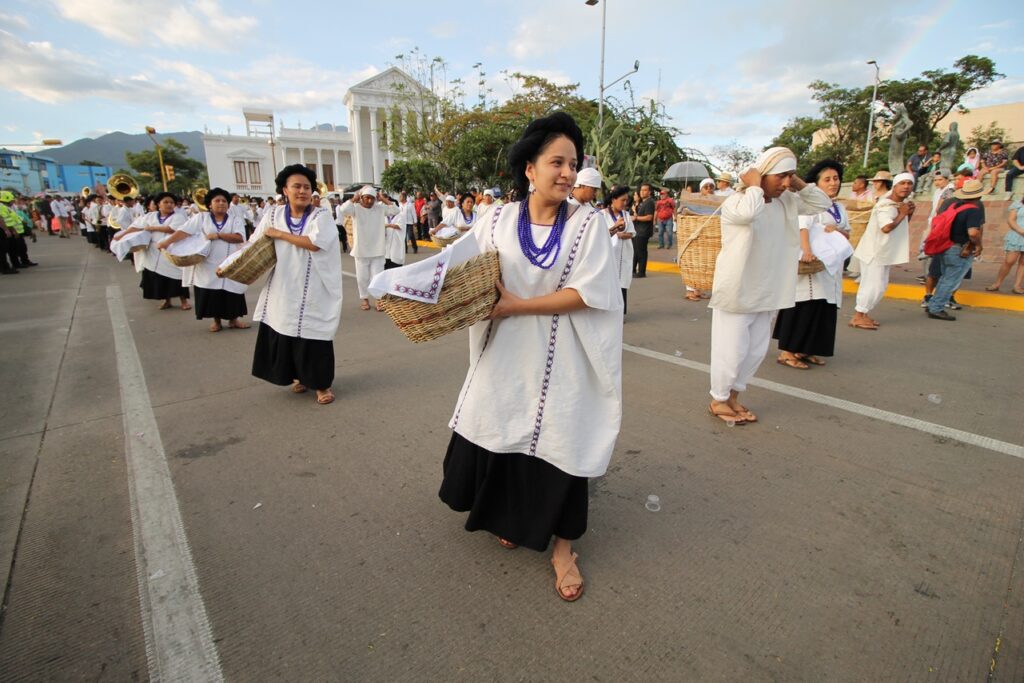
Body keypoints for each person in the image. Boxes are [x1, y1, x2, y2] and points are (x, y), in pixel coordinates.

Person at [439, 111, 622, 603]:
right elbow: (461, 267)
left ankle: (563, 549)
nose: (567, 172)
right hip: (505, 353)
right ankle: (511, 518)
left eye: (573, 164)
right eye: (556, 162)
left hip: (565, 357)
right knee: (502, 432)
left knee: (561, 444)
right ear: (530, 168)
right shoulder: (497, 219)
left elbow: (590, 292)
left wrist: (518, 306)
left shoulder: (588, 223)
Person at [708, 147, 831, 425]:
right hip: (738, 288)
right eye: (780, 176)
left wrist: (798, 183)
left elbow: (822, 203)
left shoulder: (787, 201)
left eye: (790, 176)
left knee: (755, 350)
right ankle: (719, 398)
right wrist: (754, 185)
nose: (786, 183)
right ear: (762, 174)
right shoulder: (737, 201)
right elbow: (748, 215)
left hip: (769, 288)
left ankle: (734, 397)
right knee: (731, 350)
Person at [250, 165, 342, 405]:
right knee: (286, 331)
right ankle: (298, 377)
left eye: (307, 187)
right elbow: (255, 242)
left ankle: (321, 385)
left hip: (315, 285)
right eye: (297, 186)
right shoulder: (273, 215)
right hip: (283, 284)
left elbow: (315, 243)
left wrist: (279, 234)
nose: (302, 191)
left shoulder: (320, 216)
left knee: (314, 334)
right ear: (285, 190)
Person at [773, 160, 852, 369]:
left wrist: (838, 232)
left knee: (823, 307)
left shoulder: (839, 207)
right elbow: (803, 227)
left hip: (830, 266)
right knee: (804, 305)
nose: (833, 183)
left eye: (836, 178)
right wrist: (807, 250)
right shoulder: (810, 204)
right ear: (816, 184)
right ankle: (787, 352)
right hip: (812, 263)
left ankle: (806, 349)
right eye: (827, 179)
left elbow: (847, 232)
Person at [157, 187, 250, 332]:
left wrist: (218, 235)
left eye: (224, 201)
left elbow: (239, 237)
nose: (221, 203)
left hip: (229, 262)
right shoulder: (201, 218)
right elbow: (183, 232)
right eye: (217, 200)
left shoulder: (235, 220)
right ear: (209, 204)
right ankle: (216, 321)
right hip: (207, 263)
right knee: (211, 292)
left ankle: (234, 320)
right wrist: (166, 242)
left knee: (232, 291)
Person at [850, 173, 915, 329]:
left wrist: (908, 213)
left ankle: (864, 314)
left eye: (909, 183)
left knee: (879, 285)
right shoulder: (886, 205)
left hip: (884, 252)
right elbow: (886, 228)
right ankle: (858, 316)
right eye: (902, 183)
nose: (906, 186)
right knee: (873, 285)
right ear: (895, 186)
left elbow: (899, 225)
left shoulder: (898, 204)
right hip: (875, 252)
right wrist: (903, 214)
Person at [117, 192, 191, 310]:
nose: (169, 204)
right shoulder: (150, 216)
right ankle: (166, 300)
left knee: (177, 277)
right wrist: (122, 235)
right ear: (158, 204)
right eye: (166, 202)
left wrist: (152, 228)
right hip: (152, 251)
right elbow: (136, 226)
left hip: (170, 250)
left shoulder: (178, 217)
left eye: (171, 202)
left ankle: (184, 301)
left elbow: (172, 229)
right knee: (159, 278)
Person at [926, 179, 986, 320]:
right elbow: (973, 233)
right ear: (979, 195)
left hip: (946, 245)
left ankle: (933, 304)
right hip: (960, 249)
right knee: (950, 280)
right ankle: (936, 308)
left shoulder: (954, 206)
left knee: (944, 278)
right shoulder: (974, 210)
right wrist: (979, 245)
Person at [338, 186, 398, 310]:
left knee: (377, 277)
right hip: (361, 250)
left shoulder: (379, 208)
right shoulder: (355, 208)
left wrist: (382, 199)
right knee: (362, 278)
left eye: (372, 198)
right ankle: (364, 299)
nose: (370, 201)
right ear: (361, 197)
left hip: (377, 250)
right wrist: (354, 198)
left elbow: (396, 210)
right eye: (367, 198)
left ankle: (378, 300)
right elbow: (343, 210)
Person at [602, 185, 635, 315]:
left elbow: (631, 233)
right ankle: (607, 312)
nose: (625, 203)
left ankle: (621, 313)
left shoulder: (626, 215)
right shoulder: (602, 215)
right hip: (608, 255)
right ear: (613, 199)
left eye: (626, 200)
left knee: (622, 283)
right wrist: (615, 230)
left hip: (624, 254)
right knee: (608, 283)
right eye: (622, 200)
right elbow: (600, 234)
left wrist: (621, 235)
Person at [985, 200, 1024, 294]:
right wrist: (1021, 231)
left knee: (1023, 263)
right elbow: (1011, 220)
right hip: (1017, 235)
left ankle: (1017, 286)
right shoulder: (1018, 204)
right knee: (1009, 261)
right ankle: (997, 283)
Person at [0, 191, 36, 268]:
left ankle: (22, 262)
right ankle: (10, 266)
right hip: (10, 231)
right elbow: (5, 220)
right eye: (12, 200)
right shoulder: (2, 208)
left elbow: (16, 218)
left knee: (19, 248)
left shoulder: (10, 208)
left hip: (16, 231)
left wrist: (26, 226)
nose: (13, 201)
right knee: (8, 250)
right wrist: (11, 230)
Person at [632, 183, 655, 277]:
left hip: (643, 231)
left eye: (645, 190)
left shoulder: (649, 202)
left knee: (641, 252)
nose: (642, 192)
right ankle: (635, 270)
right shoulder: (642, 202)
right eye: (641, 190)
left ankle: (641, 272)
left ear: (649, 192)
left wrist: (636, 218)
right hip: (638, 230)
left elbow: (649, 217)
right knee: (636, 251)